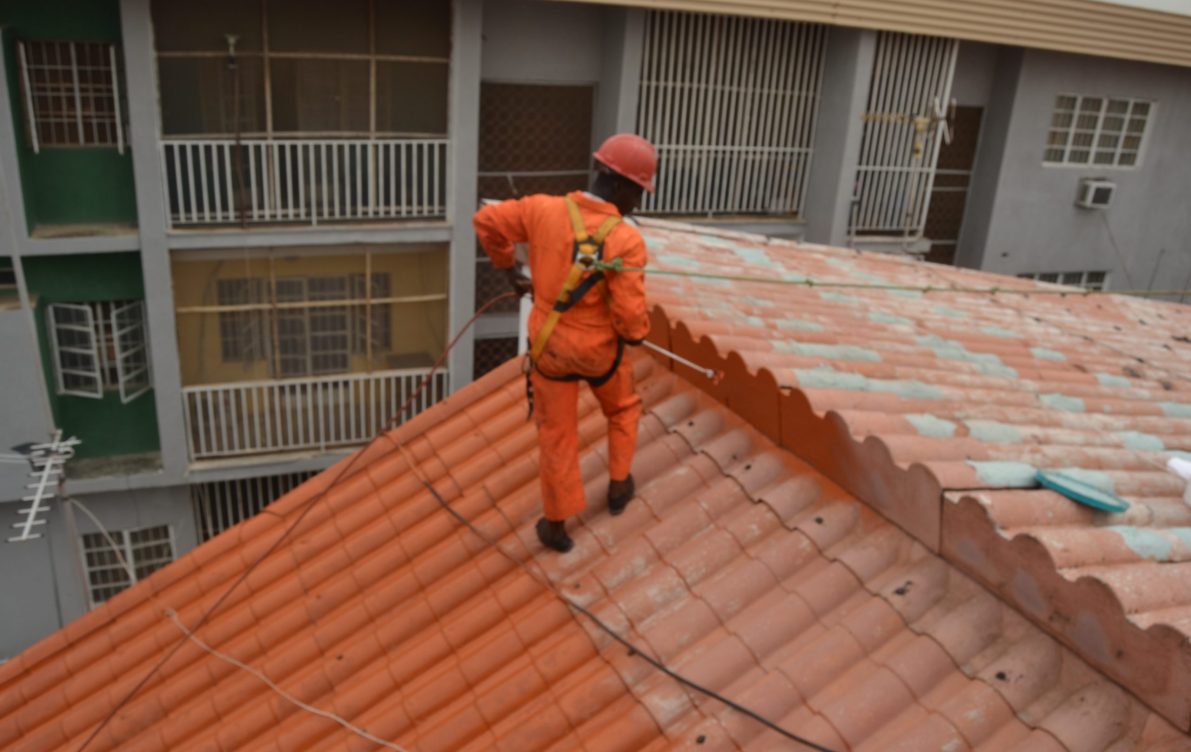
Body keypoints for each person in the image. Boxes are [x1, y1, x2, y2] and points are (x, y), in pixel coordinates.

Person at [473, 134, 657, 553]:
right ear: (618, 183)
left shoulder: (541, 210)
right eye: (638, 192)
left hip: (550, 350)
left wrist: (508, 271)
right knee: (623, 407)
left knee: (557, 434)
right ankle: (618, 485)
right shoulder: (626, 241)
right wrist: (636, 335)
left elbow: (486, 222)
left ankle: (556, 525)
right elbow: (630, 320)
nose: (639, 203)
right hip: (598, 355)